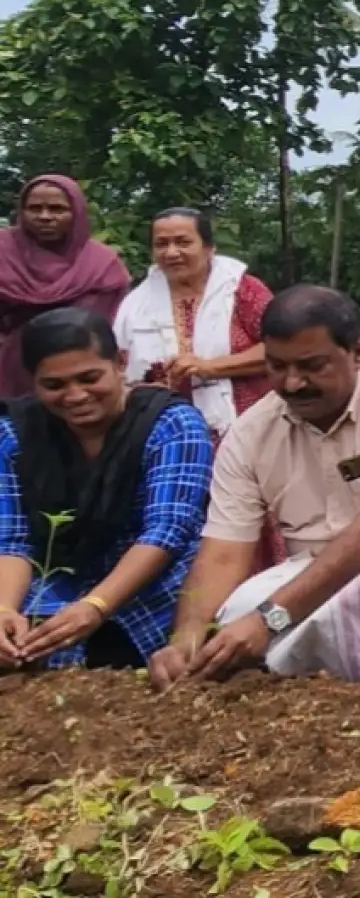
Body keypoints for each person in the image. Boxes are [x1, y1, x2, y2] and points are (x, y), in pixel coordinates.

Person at [147, 286, 360, 689]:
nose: (292, 383)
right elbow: (222, 553)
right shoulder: (251, 433)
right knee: (239, 607)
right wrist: (186, 638)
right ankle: (330, 677)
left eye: (311, 366)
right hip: (317, 572)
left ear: (358, 352)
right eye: (276, 366)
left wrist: (270, 619)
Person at [0, 309, 211, 669]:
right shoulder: (13, 433)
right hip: (56, 579)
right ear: (33, 382)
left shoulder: (172, 424)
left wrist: (96, 605)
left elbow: (167, 531)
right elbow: (12, 538)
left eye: (89, 378)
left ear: (120, 363)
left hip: (150, 578)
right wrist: (4, 609)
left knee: (116, 646)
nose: (76, 395)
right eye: (54, 386)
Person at [115, 208, 275, 436]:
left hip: (250, 426)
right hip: (165, 431)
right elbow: (119, 369)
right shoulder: (134, 305)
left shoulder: (241, 288)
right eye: (161, 244)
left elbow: (283, 347)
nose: (171, 253)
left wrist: (209, 367)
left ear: (209, 248)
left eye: (183, 242)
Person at [1, 176, 131, 401]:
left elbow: (108, 328)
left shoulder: (102, 266)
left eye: (57, 209)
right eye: (35, 208)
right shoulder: (4, 251)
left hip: (81, 381)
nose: (45, 217)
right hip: (8, 372)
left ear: (77, 212)